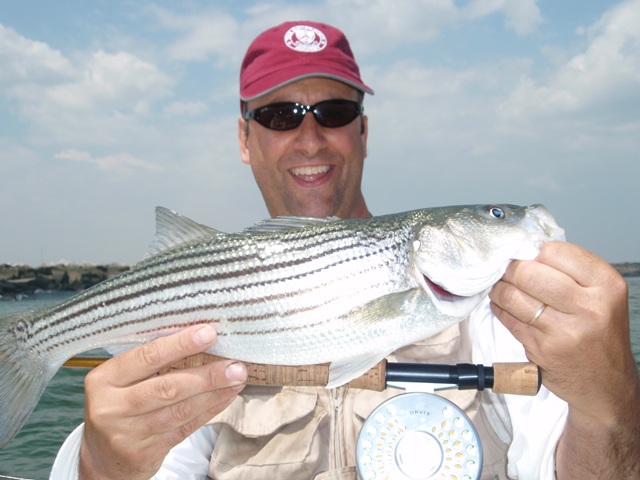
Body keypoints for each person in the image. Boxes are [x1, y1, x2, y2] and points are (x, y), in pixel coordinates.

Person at [52, 21, 640, 479]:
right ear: (244, 138)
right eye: (280, 115)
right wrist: (105, 465)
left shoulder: (498, 307)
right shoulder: (194, 315)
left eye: (334, 112)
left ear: (363, 131)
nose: (309, 138)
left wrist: (610, 404)